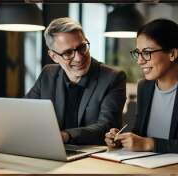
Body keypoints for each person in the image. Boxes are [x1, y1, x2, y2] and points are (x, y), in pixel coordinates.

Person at [104, 19, 178, 156]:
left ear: (172, 54)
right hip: (146, 165)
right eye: (138, 53)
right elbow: (140, 132)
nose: (140, 61)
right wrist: (122, 138)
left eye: (147, 52)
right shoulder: (144, 87)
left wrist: (148, 144)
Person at [26, 17, 127, 145]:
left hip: (93, 156)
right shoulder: (48, 73)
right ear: (53, 56)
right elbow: (25, 111)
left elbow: (107, 127)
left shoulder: (113, 77)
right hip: (50, 149)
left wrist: (65, 136)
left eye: (82, 47)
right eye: (68, 53)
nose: (79, 58)